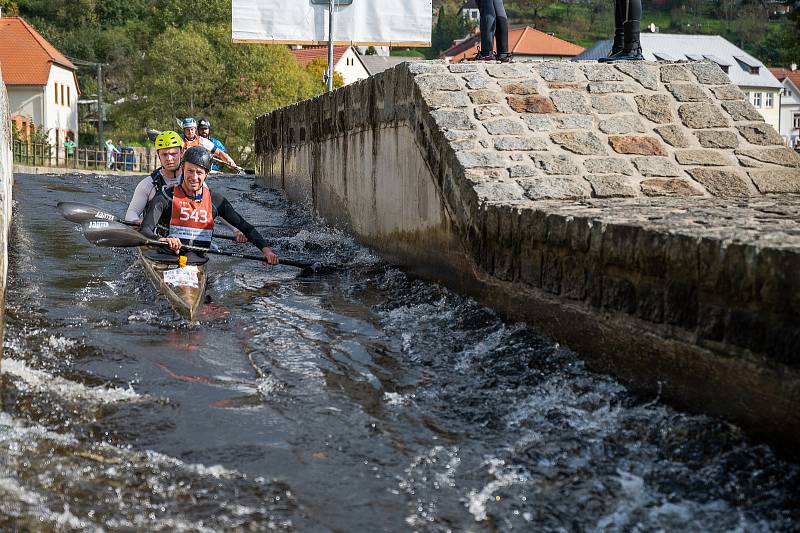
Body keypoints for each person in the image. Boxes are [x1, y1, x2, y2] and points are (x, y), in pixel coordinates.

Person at [139, 146, 278, 266]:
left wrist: (267, 251)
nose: (194, 177)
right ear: (183, 169)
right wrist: (163, 240)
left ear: (206, 174)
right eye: (190, 171)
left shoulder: (216, 201)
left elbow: (246, 228)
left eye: (199, 173)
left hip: (196, 260)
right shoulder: (164, 197)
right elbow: (145, 231)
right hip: (165, 256)